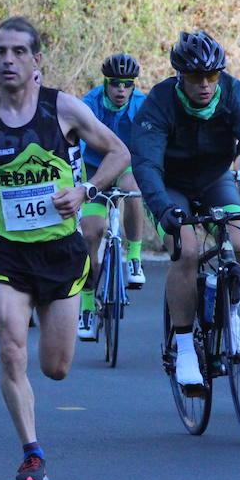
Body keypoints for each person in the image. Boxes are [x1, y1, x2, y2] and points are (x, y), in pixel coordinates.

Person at [0, 16, 128, 480]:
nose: (8, 60)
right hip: (9, 257)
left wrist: (85, 190)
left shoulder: (62, 110)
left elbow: (119, 154)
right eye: (0, 52)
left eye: (19, 52)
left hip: (61, 255)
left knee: (56, 367)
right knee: (11, 351)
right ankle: (31, 452)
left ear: (36, 60)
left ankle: (36, 432)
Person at [131, 31, 240, 393]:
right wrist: (162, 208)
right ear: (180, 76)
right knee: (188, 251)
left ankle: (232, 314)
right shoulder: (160, 101)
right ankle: (184, 350)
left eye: (212, 76)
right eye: (196, 78)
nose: (206, 85)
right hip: (171, 186)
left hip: (215, 178)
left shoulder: (232, 93)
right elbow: (146, 162)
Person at [77, 53, 148, 339]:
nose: (121, 90)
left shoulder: (143, 105)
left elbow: (151, 143)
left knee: (133, 191)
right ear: (106, 84)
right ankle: (85, 307)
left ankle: (133, 257)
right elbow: (75, 144)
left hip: (126, 166)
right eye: (115, 83)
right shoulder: (89, 105)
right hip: (94, 169)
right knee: (90, 236)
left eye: (127, 84)